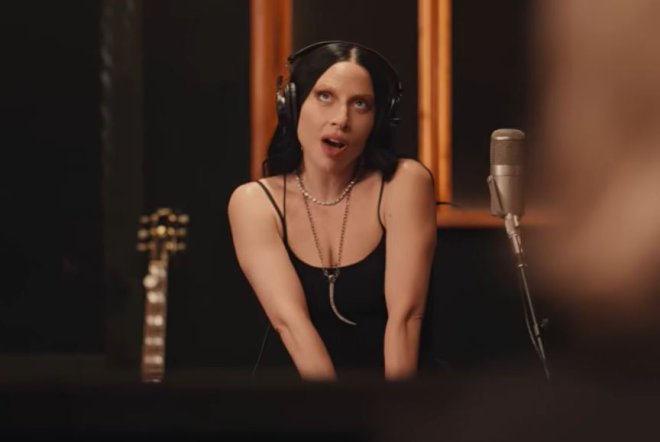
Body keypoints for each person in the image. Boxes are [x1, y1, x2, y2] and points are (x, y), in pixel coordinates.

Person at [228, 41, 437, 381]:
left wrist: (394, 410)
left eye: (360, 104)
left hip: (398, 395)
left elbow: (406, 318)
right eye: (325, 96)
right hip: (299, 396)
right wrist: (339, 410)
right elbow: (291, 324)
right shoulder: (253, 203)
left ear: (378, 120)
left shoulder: (404, 183)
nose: (341, 119)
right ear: (292, 106)